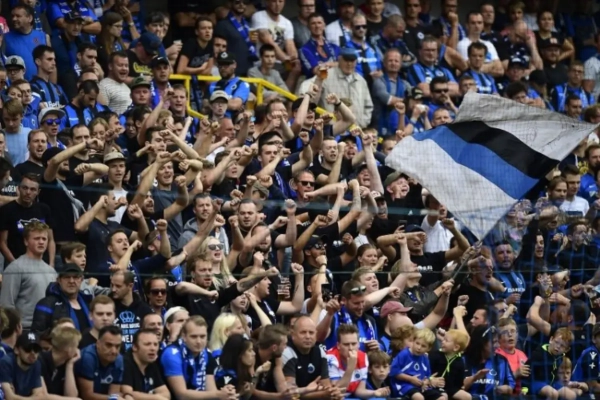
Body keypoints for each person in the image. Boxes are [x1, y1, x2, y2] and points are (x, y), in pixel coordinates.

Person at [0, 221, 57, 330]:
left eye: (44, 239)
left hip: (47, 329)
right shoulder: (15, 268)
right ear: (26, 241)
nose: (41, 242)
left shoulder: (51, 271)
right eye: (37, 238)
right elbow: (6, 304)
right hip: (24, 328)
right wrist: (13, 330)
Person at [327, 324, 391, 399]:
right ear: (338, 345)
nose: (350, 348)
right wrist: (350, 368)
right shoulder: (330, 358)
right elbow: (337, 393)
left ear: (358, 344)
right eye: (346, 344)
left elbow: (359, 391)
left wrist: (374, 393)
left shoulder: (363, 357)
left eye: (354, 344)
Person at [30, 263, 92, 333]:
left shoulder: (88, 302)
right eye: (67, 277)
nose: (71, 281)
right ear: (59, 280)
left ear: (81, 280)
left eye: (75, 277)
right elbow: (36, 333)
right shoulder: (47, 304)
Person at [389, 328, 445, 400]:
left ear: (429, 348)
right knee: (419, 397)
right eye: (417, 343)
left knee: (442, 398)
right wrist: (411, 379)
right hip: (404, 386)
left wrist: (426, 382)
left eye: (423, 346)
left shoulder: (425, 358)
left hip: (420, 386)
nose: (419, 347)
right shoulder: (404, 354)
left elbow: (427, 376)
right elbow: (393, 372)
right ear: (413, 341)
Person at [75, 325, 125, 399]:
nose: (114, 351)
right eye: (108, 345)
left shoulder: (119, 359)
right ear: (98, 344)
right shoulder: (87, 357)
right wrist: (113, 399)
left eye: (117, 346)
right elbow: (87, 396)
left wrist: (114, 398)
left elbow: (113, 394)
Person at [121, 328, 170, 398]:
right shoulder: (125, 363)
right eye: (147, 344)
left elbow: (166, 394)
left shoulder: (151, 362)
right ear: (134, 347)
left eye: (155, 344)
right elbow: (126, 393)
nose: (153, 348)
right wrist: (155, 398)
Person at [38, 325, 81, 398]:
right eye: (76, 346)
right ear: (69, 349)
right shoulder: (39, 361)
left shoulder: (66, 362)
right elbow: (42, 396)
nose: (78, 350)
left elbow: (71, 395)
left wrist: (69, 365)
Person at [0, 331, 44, 398]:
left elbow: (39, 396)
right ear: (16, 350)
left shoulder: (36, 364)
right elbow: (9, 397)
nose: (33, 353)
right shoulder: (6, 363)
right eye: (28, 349)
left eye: (36, 349)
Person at [429, 329, 470, 400]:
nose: (442, 341)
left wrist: (460, 387)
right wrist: (431, 379)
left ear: (456, 347)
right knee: (444, 396)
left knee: (467, 397)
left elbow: (459, 380)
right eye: (443, 339)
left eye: (446, 340)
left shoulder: (459, 361)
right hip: (436, 385)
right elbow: (427, 371)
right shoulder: (435, 355)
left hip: (450, 388)